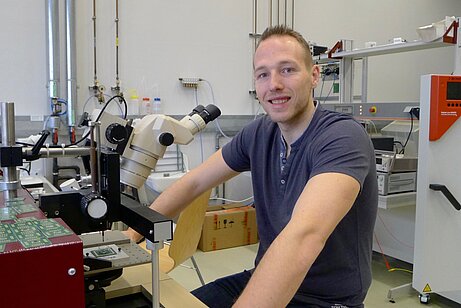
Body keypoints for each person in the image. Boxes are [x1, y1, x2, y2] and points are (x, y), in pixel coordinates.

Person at [125, 25, 378, 307]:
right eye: (263, 74)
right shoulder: (259, 133)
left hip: (325, 299)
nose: (274, 84)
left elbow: (304, 235)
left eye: (287, 70)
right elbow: (194, 182)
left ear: (314, 76)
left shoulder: (341, 137)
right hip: (261, 273)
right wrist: (129, 237)